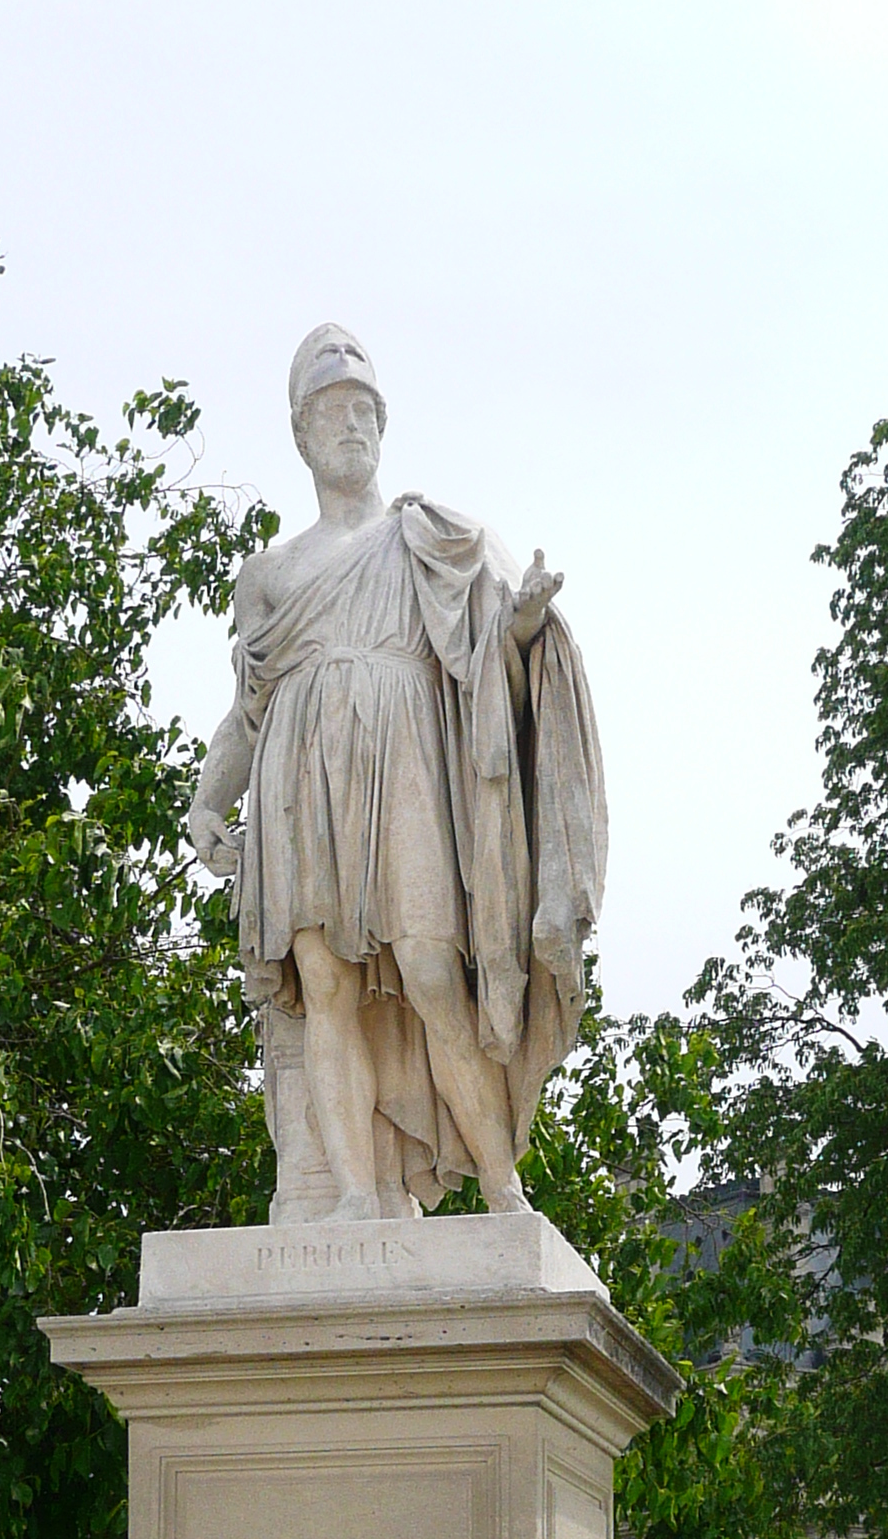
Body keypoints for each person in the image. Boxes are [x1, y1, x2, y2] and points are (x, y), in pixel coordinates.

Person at [184, 325, 606, 1223]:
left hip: (406, 769)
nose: (349, 426)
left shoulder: (434, 538)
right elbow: (248, 713)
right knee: (324, 987)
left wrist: (526, 623)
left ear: (384, 424)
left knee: (429, 969)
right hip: (304, 781)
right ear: (300, 435)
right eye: (331, 411)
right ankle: (354, 1197)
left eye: (362, 410)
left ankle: (502, 1186)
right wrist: (206, 801)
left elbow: (494, 654)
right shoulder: (268, 574)